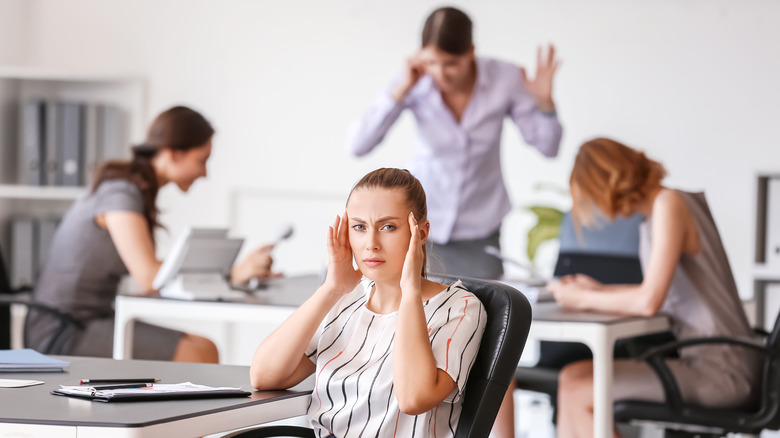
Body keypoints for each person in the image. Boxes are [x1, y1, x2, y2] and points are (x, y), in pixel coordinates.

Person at [27, 106, 277, 362]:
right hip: (62, 330)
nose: (204, 173)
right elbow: (150, 277)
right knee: (199, 352)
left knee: (203, 348)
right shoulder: (120, 194)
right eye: (201, 161)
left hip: (89, 321)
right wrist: (233, 274)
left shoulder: (129, 190)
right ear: (174, 154)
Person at [548, 138, 761, 437]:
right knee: (571, 378)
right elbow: (655, 291)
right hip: (705, 360)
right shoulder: (660, 211)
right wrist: (597, 291)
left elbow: (649, 301)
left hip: (724, 371)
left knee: (580, 391)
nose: (597, 209)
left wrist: (581, 298)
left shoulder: (669, 203)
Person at [250, 168, 487, 437]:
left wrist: (410, 289)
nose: (371, 243)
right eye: (359, 227)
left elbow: (413, 399)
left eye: (388, 227)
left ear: (420, 233)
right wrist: (332, 288)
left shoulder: (459, 308)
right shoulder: (346, 300)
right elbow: (264, 377)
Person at [346, 6, 563, 280]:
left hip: (481, 229)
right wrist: (400, 92)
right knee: (420, 314)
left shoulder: (505, 78)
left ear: (471, 52)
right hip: (421, 227)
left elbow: (548, 147)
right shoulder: (413, 79)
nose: (440, 73)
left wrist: (545, 105)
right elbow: (358, 144)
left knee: (484, 313)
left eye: (450, 64)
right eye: (431, 62)